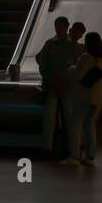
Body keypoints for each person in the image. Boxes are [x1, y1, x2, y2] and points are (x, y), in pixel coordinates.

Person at [35, 15, 79, 154]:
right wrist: (54, 79)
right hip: (56, 85)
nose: (58, 30)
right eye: (57, 27)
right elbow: (43, 66)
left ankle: (68, 147)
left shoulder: (68, 45)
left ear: (66, 28)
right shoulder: (53, 44)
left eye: (60, 27)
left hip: (61, 85)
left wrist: (54, 79)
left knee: (66, 117)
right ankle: (48, 146)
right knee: (51, 118)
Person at [62, 30, 102, 166]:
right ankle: (90, 156)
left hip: (84, 97)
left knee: (75, 125)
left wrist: (70, 66)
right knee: (89, 125)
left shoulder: (86, 57)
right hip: (96, 98)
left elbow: (77, 75)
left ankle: (74, 156)